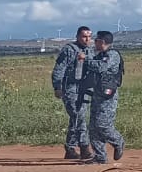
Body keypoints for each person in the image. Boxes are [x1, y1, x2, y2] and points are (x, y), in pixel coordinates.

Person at [81, 30, 125, 164]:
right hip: (97, 94)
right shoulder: (99, 55)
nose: (94, 42)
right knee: (93, 128)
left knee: (103, 124)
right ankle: (100, 157)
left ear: (103, 42)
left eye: (97, 40)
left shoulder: (112, 55)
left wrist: (85, 60)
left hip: (108, 97)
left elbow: (101, 67)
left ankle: (118, 141)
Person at [51, 26, 93, 161]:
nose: (87, 39)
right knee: (79, 117)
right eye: (84, 36)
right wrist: (57, 87)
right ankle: (84, 147)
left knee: (75, 119)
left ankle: (70, 148)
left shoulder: (89, 51)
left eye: (89, 36)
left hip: (84, 90)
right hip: (70, 89)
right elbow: (59, 69)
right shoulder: (69, 50)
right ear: (77, 37)